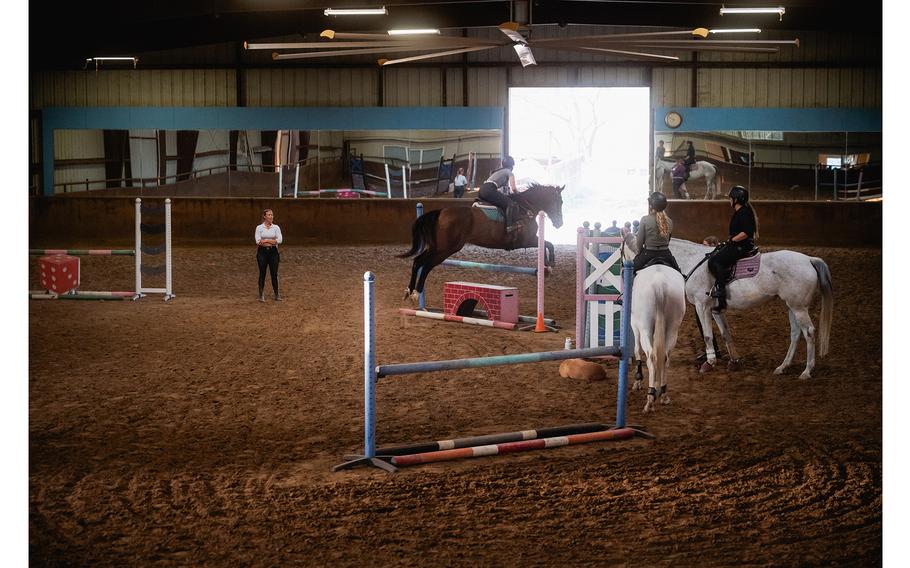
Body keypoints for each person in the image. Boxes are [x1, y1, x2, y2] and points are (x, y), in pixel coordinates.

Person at [707, 185, 758, 312]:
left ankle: (722, 292)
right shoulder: (740, 211)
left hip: (742, 246)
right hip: (737, 244)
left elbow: (746, 232)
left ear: (736, 199)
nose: (729, 200)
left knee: (715, 261)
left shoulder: (744, 212)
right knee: (715, 256)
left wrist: (731, 240)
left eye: (731, 198)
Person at [632, 191, 680, 274]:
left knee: (628, 270)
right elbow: (668, 239)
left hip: (648, 253)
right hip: (665, 253)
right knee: (679, 273)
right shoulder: (669, 221)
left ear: (651, 205)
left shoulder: (645, 219)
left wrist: (639, 253)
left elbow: (639, 241)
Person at [479, 155, 520, 231]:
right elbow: (514, 188)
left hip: (482, 190)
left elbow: (504, 191)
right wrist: (519, 194)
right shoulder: (509, 172)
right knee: (511, 204)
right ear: (512, 166)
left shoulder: (498, 171)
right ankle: (509, 226)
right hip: (489, 190)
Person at [255, 208, 283, 302]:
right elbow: (258, 241)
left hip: (273, 252)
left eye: (272, 215)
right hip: (262, 252)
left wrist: (266, 240)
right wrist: (272, 241)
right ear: (264, 216)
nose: (271, 217)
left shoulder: (276, 227)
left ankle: (277, 293)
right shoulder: (259, 228)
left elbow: (279, 240)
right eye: (269, 215)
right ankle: (261, 294)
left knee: (274, 273)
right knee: (262, 273)